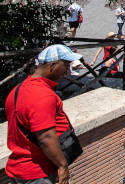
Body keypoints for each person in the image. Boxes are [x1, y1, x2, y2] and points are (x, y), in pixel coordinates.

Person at [5, 45, 83, 184]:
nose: (67, 70)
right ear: (52, 64)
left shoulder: (18, 90)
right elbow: (46, 138)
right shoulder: (42, 95)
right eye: (66, 65)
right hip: (39, 172)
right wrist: (62, 165)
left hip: (23, 168)